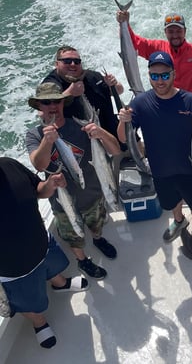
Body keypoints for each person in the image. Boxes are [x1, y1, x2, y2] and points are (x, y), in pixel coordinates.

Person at [26, 82, 121, 280]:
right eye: (46, 102)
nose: (53, 106)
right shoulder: (34, 135)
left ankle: (98, 239)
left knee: (97, 223)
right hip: (63, 202)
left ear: (63, 103)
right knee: (73, 235)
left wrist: (101, 133)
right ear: (39, 107)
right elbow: (39, 165)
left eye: (57, 101)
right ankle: (82, 260)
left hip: (94, 193)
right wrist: (48, 141)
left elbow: (115, 151)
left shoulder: (80, 125)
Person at [117, 51, 192, 251]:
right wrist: (123, 121)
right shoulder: (140, 103)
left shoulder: (191, 100)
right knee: (171, 201)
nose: (160, 81)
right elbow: (124, 138)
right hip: (160, 169)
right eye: (155, 76)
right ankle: (178, 220)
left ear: (174, 74)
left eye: (165, 75)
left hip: (190, 166)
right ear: (149, 76)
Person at [0, 156, 89, 349]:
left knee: (53, 267)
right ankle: (38, 322)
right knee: (28, 300)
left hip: (42, 243)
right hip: (14, 269)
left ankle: (61, 283)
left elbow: (38, 190)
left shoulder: (8, 164)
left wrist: (50, 184)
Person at [116, 10, 192, 106]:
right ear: (165, 32)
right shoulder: (156, 47)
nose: (175, 35)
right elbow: (133, 43)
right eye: (171, 31)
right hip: (165, 109)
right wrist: (124, 23)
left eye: (179, 31)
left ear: (185, 31)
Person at [42, 45, 125, 144]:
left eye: (77, 61)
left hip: (114, 137)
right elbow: (42, 113)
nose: (73, 64)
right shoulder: (50, 84)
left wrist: (113, 84)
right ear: (57, 64)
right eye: (67, 61)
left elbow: (120, 90)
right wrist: (70, 93)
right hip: (81, 146)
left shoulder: (92, 76)